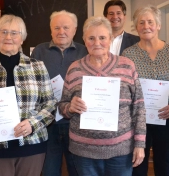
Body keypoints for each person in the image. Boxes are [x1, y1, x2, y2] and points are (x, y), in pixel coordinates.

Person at [0, 14, 57, 176]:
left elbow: (50, 105)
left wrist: (33, 123)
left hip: (32, 147)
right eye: (3, 32)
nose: (8, 37)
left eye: (14, 33)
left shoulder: (37, 66)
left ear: (22, 38)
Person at [58, 16, 146, 176]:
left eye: (102, 38)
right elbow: (63, 106)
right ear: (84, 40)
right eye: (91, 38)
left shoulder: (127, 66)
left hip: (121, 151)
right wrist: (70, 107)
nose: (96, 43)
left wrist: (140, 144)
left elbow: (139, 107)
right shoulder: (75, 69)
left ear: (111, 39)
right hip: (83, 152)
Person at [122, 5, 169, 176]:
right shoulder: (128, 55)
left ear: (158, 25)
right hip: (138, 120)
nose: (146, 26)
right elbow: (124, 89)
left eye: (150, 22)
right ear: (136, 27)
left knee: (166, 164)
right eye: (141, 22)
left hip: (167, 117)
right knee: (138, 165)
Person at [31, 10, 87, 176]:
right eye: (56, 28)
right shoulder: (39, 52)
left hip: (76, 122)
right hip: (48, 123)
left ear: (74, 30)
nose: (61, 31)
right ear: (50, 29)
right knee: (49, 171)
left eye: (66, 27)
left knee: (77, 170)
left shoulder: (84, 52)